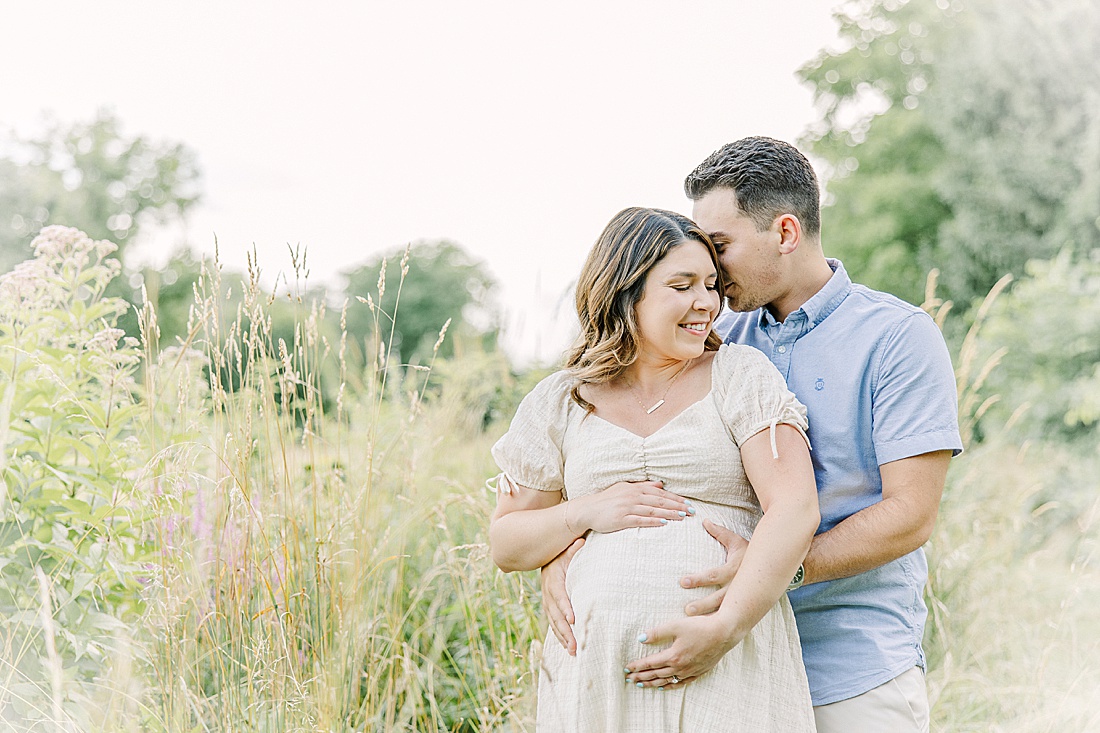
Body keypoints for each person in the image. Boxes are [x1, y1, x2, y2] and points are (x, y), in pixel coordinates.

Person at [542, 137, 963, 733]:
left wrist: (770, 572)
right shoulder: (711, 338)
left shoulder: (898, 337)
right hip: (730, 669)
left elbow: (911, 514)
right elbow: (640, 452)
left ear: (785, 232)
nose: (708, 272)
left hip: (846, 666)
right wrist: (565, 555)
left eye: (720, 247)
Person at [489, 206, 820, 731]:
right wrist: (586, 513)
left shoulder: (739, 375)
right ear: (627, 294)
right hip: (595, 677)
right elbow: (507, 544)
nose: (705, 303)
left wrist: (727, 628)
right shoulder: (562, 398)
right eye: (682, 285)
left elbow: (796, 506)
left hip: (725, 661)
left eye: (710, 284)